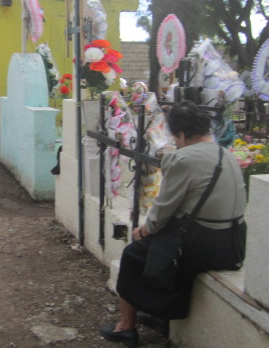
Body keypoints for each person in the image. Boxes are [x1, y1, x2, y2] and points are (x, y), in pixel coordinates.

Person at [100, 100, 247, 347]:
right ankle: (160, 316)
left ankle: (126, 326)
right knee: (163, 251)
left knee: (134, 254)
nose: (174, 142)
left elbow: (164, 208)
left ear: (181, 134)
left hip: (203, 245)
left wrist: (144, 230)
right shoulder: (225, 154)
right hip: (233, 243)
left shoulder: (183, 158)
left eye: (175, 136)